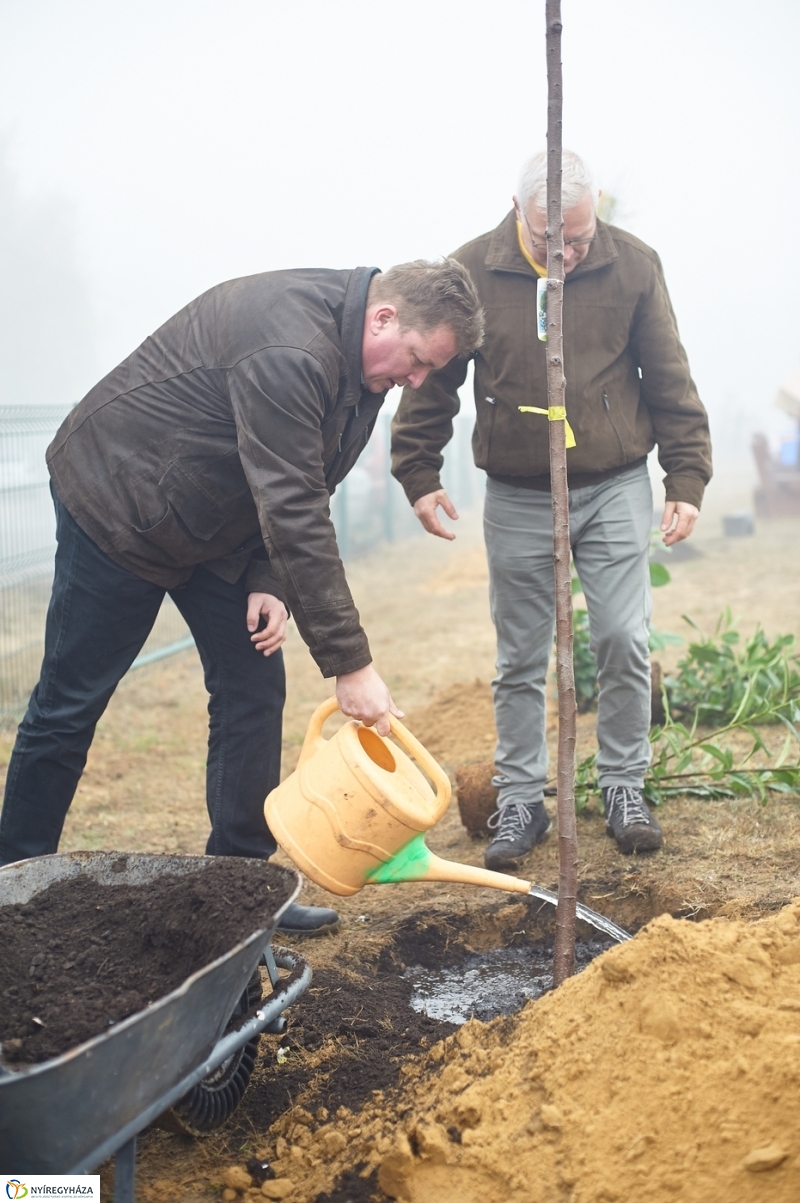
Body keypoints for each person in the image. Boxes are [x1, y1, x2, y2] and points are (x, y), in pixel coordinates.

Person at [0, 259, 484, 933]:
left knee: (253, 686)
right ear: (384, 318)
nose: (416, 381)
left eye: (429, 370)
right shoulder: (290, 347)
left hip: (213, 517)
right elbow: (292, 506)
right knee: (69, 705)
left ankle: (240, 891)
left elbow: (305, 479)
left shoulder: (366, 368)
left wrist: (266, 579)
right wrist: (350, 663)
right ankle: (13, 892)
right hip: (121, 498)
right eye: (417, 361)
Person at [391, 151, 712, 870]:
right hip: (517, 492)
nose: (565, 251)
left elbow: (669, 377)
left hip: (615, 484)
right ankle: (521, 800)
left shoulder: (633, 265)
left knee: (625, 638)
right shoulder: (471, 270)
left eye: (578, 235)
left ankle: (625, 784)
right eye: (548, 239)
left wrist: (685, 477)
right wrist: (417, 469)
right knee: (520, 656)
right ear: (517, 210)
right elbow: (431, 379)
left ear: (595, 211)